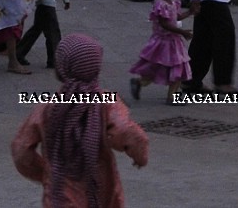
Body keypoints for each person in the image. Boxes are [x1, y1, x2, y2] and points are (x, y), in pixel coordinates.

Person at [9, 33, 150, 208]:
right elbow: (126, 132)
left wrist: (44, 172)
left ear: (61, 69)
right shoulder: (107, 103)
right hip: (101, 190)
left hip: (59, 193)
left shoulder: (47, 108)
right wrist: (140, 156)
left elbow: (21, 149)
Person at [127, 0, 192, 102]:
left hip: (173, 41)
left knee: (178, 68)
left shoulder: (173, 2)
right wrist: (182, 32)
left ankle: (172, 96)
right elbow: (165, 24)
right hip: (164, 42)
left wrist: (190, 12)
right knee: (156, 67)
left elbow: (176, 17)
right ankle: (140, 83)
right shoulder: (160, 4)